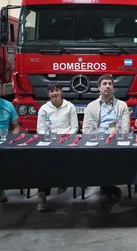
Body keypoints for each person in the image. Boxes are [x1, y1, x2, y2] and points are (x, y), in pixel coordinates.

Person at [82, 74, 130, 202]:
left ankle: (107, 186)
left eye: (110, 83)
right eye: (104, 84)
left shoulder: (122, 105)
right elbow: (86, 130)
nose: (107, 86)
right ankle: (107, 186)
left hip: (116, 140)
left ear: (113, 87)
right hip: (97, 141)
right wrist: (101, 136)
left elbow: (125, 129)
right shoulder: (91, 106)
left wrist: (109, 134)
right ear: (99, 88)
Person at [35, 82, 79, 211]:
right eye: (51, 91)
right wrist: (50, 139)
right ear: (48, 94)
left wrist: (66, 137)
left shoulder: (70, 106)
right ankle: (42, 194)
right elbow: (40, 129)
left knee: (62, 158)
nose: (54, 93)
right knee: (44, 163)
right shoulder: (43, 109)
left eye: (57, 90)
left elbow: (75, 127)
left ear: (61, 92)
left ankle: (62, 181)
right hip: (48, 141)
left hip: (66, 141)